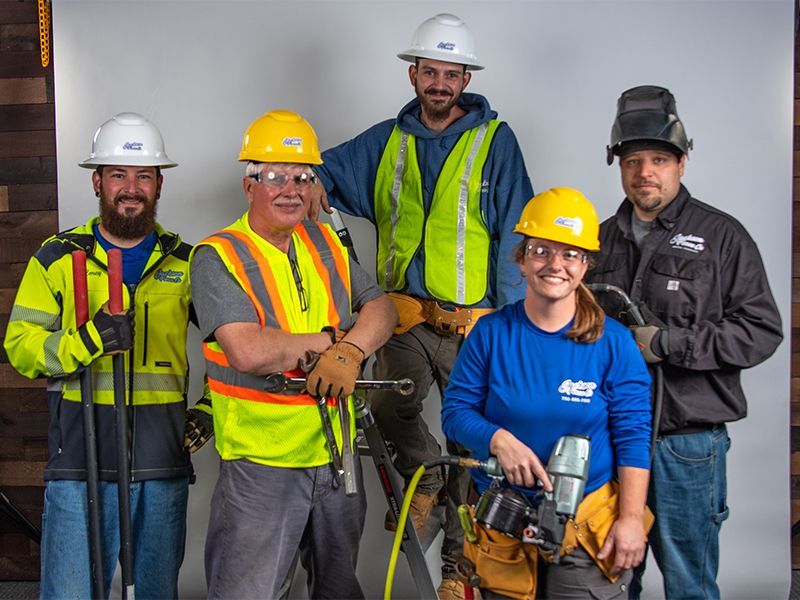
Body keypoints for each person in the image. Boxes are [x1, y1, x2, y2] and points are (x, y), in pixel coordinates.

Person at [314, 13, 533, 597]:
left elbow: (516, 235)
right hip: (406, 320)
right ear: (413, 74)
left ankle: (462, 573)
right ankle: (423, 476)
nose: (439, 83)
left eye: (451, 74)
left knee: (477, 447)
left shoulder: (494, 140)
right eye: (430, 71)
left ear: (465, 79)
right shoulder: (388, 140)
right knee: (387, 410)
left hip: (475, 326)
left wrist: (510, 329)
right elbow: (316, 174)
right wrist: (297, 191)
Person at [585, 85, 783, 600]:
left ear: (682, 163)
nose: (644, 172)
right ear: (619, 166)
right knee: (608, 581)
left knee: (689, 587)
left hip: (686, 445)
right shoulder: (598, 241)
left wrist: (670, 344)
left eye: (658, 159)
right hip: (608, 439)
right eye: (632, 161)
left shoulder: (722, 237)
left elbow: (761, 330)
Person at [191, 110, 396, 599]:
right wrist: (331, 343)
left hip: (335, 454)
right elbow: (246, 348)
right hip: (263, 463)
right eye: (275, 176)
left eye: (303, 177)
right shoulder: (219, 256)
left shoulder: (324, 241)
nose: (291, 189)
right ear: (249, 186)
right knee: (251, 592)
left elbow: (382, 310)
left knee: (338, 590)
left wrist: (351, 350)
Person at [4, 112, 198, 599]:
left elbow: (231, 343)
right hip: (78, 462)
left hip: (160, 463)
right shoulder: (57, 257)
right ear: (97, 181)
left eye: (143, 176)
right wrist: (87, 340)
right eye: (117, 174)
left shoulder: (188, 261)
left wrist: (213, 409)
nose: (130, 187)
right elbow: (20, 347)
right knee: (71, 593)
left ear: (159, 185)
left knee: (156, 593)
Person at [441, 187, 653, 599]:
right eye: (541, 251)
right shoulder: (490, 334)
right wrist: (498, 441)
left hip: (586, 525)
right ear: (521, 260)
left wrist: (629, 519)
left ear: (586, 265)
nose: (555, 264)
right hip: (502, 524)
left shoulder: (613, 343)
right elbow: (455, 413)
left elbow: (633, 438)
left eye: (570, 254)